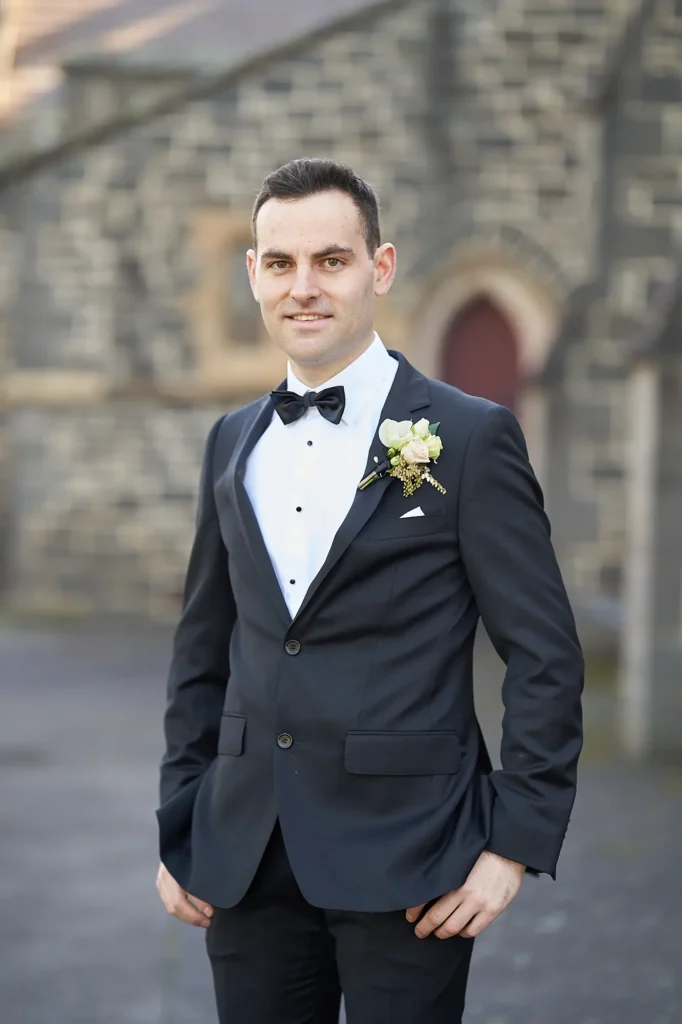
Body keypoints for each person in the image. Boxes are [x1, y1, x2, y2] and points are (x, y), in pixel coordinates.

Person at [155, 157, 584, 1024]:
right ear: (253, 275)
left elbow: (544, 653)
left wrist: (512, 843)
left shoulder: (467, 438)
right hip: (245, 856)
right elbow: (203, 649)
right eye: (280, 264)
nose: (303, 287)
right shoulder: (230, 442)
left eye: (331, 261)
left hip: (414, 857)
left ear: (378, 269)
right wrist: (184, 815)